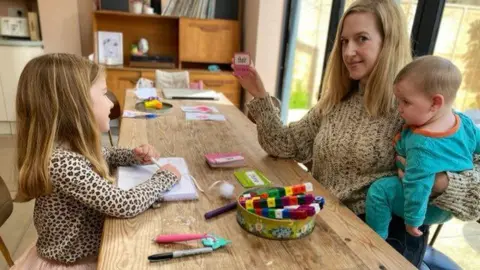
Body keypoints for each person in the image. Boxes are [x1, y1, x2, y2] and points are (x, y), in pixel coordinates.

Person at [233, 0, 480, 267]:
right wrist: (258, 93)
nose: (349, 52)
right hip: (328, 228)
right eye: (343, 41)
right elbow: (283, 144)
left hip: (387, 243)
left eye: (361, 39)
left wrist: (439, 182)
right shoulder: (338, 101)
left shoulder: (415, 108)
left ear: (390, 42)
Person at [11, 53, 181, 269]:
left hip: (88, 253)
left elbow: (106, 154)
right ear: (76, 106)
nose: (111, 102)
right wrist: (165, 178)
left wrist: (134, 156)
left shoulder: (71, 144)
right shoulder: (62, 162)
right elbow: (124, 204)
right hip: (74, 264)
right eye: (103, 93)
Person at [366, 55, 480, 239]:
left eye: (406, 102)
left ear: (435, 103)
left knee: (380, 191)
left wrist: (413, 221)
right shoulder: (464, 123)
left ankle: (376, 239)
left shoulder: (422, 146)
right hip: (449, 207)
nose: (399, 108)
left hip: (430, 207)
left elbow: (416, 187)